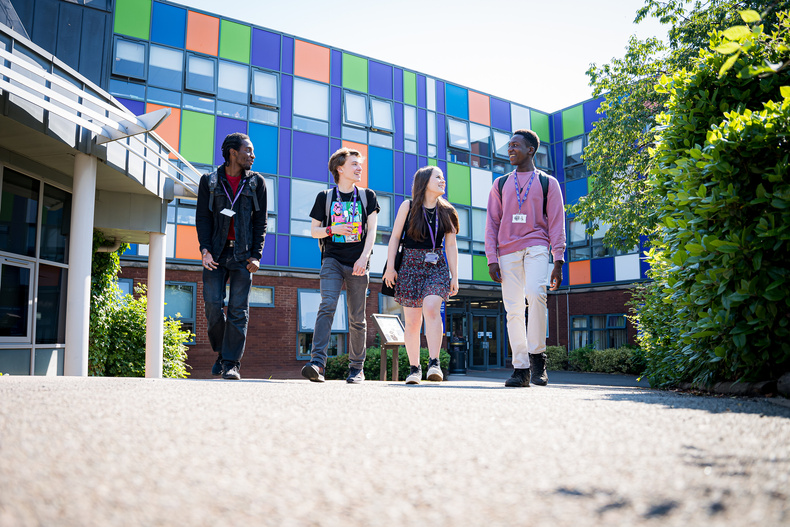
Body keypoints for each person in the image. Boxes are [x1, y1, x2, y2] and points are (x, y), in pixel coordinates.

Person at [485, 129, 566, 388]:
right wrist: (491, 258)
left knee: (536, 293)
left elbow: (556, 223)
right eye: (509, 145)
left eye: (516, 145)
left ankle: (537, 358)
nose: (510, 149)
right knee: (514, 309)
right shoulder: (499, 184)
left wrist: (559, 261)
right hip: (507, 251)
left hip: (537, 246)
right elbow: (491, 223)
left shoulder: (548, 183)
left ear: (531, 150)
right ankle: (521, 369)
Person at [301, 148, 379, 384]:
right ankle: (317, 364)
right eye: (354, 164)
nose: (359, 168)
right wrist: (331, 229)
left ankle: (357, 368)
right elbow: (314, 231)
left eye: (360, 164)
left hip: (358, 261)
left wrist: (364, 257)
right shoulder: (325, 197)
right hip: (332, 260)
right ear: (340, 168)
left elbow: (372, 230)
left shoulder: (367, 196)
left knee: (357, 317)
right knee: (327, 307)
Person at [196, 132, 267, 381]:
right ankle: (222, 351)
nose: (253, 155)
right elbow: (203, 218)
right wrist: (204, 249)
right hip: (216, 253)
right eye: (248, 150)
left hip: (243, 255)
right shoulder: (210, 181)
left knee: (239, 310)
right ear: (233, 153)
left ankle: (231, 363)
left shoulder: (257, 183)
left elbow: (261, 222)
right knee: (213, 306)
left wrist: (256, 255)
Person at [384, 166, 459, 384]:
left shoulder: (448, 211)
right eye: (438, 177)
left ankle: (434, 363)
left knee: (431, 308)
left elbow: (451, 245)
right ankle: (414, 368)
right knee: (413, 322)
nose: (442, 181)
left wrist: (454, 276)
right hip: (409, 265)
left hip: (436, 266)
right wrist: (391, 268)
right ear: (425, 181)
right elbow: (395, 238)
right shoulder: (408, 206)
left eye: (443, 177)